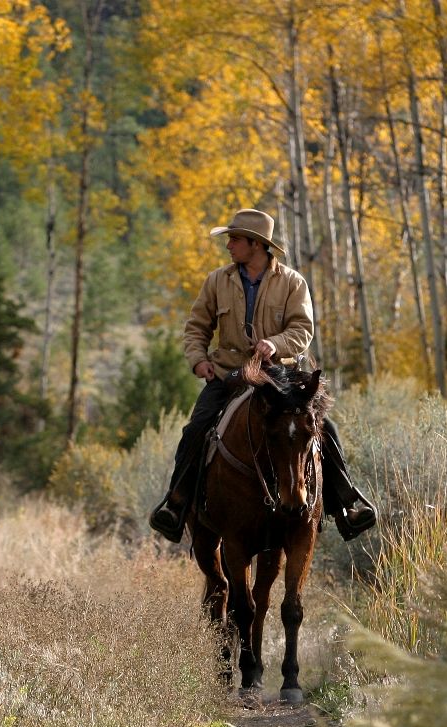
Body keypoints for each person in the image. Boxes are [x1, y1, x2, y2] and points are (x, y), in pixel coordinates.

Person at [149, 208, 377, 543]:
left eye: (235, 239)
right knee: (196, 428)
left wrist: (275, 343)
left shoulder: (291, 282)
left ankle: (346, 503)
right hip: (228, 375)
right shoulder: (216, 281)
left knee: (324, 428)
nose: (229, 246)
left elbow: (302, 330)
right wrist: (198, 361)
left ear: (255, 244)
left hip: (279, 377)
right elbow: (196, 328)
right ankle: (176, 504)